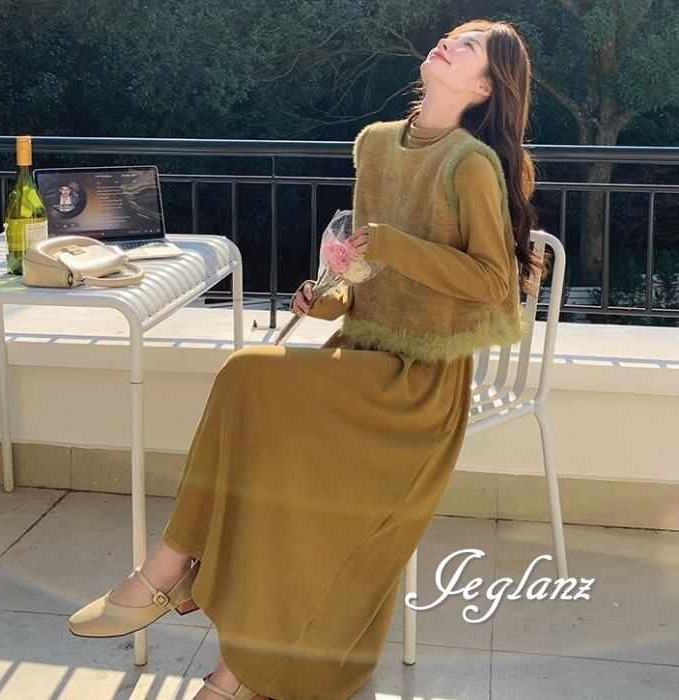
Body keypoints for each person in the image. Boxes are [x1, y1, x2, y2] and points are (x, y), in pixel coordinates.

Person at [67, 17, 542, 700]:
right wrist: (326, 297)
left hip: (419, 388)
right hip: (358, 359)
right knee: (264, 444)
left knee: (247, 375)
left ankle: (170, 571)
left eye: (469, 46)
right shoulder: (376, 145)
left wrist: (393, 244)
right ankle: (232, 663)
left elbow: (495, 285)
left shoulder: (468, 163)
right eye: (454, 35)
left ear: (485, 86)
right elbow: (364, 278)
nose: (449, 42)